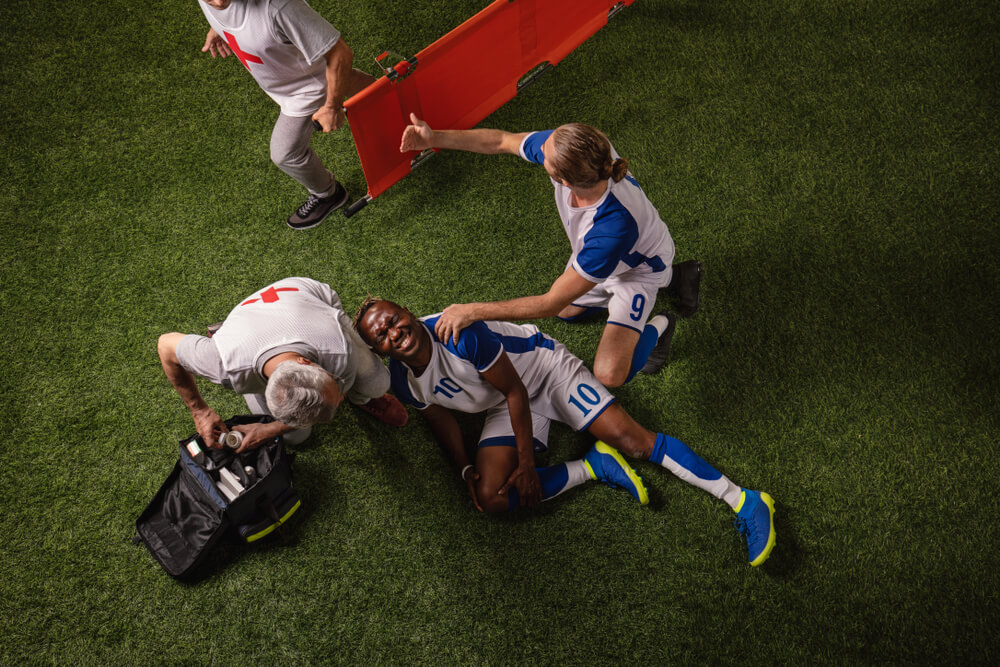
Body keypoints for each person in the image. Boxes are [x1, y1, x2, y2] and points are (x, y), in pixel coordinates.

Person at [355, 298, 776, 566]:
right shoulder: (401, 381)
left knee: (634, 441)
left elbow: (516, 389)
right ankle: (594, 466)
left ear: (407, 311)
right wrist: (465, 469)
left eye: (394, 319)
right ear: (377, 350)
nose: (395, 332)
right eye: (382, 335)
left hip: (543, 372)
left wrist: (526, 464)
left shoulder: (458, 334)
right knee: (489, 497)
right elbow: (440, 418)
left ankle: (744, 499)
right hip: (504, 402)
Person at [399, 114, 703, 388]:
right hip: (598, 255)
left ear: (564, 180)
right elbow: (502, 140)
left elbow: (548, 302)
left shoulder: (612, 227)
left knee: (609, 374)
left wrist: (471, 311)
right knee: (565, 311)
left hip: (638, 272)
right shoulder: (583, 151)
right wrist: (433, 138)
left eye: (546, 155)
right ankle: (675, 278)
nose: (542, 147)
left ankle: (663, 318)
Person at [158, 277, 407, 453]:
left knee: (377, 383)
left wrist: (267, 430)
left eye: (336, 386)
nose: (340, 399)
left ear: (307, 362)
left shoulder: (336, 349)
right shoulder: (224, 364)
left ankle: (363, 400)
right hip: (247, 338)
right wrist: (199, 410)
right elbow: (166, 346)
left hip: (305, 296)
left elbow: (165, 342)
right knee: (296, 436)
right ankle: (231, 330)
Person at [198, 0, 376, 229]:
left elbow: (340, 54)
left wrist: (332, 106)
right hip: (292, 78)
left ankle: (328, 194)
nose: (219, 1)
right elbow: (223, 10)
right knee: (369, 90)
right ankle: (396, 98)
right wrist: (218, 27)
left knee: (285, 154)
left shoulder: (278, 7)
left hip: (306, 90)